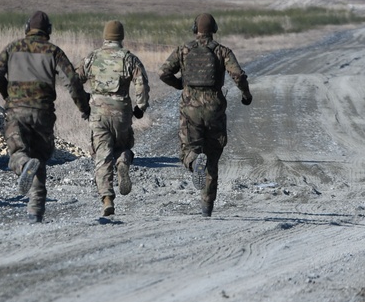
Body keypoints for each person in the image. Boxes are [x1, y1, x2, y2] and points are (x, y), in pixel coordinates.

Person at [0, 11, 91, 223]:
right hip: (43, 113)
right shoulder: (53, 52)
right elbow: (72, 82)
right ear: (49, 31)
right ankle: (35, 211)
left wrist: (8, 94)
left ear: (27, 28)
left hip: (16, 111)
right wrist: (84, 108)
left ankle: (24, 165)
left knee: (19, 153)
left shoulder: (14, 48)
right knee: (40, 160)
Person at [159, 13, 253, 217]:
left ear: (195, 29)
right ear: (214, 29)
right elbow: (237, 74)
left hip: (190, 107)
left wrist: (181, 85)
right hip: (214, 108)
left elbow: (163, 72)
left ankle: (193, 162)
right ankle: (207, 206)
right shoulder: (222, 51)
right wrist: (246, 95)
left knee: (187, 150)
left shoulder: (183, 50)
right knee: (213, 156)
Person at [76, 20, 150, 219]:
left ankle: (107, 198)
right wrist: (140, 107)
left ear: (105, 36)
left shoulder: (92, 58)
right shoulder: (129, 59)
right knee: (123, 146)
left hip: (98, 113)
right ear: (121, 36)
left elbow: (74, 80)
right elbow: (141, 83)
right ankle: (123, 161)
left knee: (102, 156)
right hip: (121, 113)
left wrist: (84, 102)